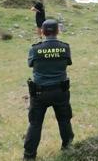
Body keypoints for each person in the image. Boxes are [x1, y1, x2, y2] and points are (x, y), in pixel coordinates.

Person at [23, 19, 74, 160]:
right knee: (64, 120)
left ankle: (29, 156)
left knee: (35, 124)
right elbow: (68, 62)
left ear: (43, 32)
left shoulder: (35, 49)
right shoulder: (65, 47)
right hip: (60, 91)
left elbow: (30, 64)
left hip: (39, 92)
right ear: (58, 31)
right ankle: (68, 149)